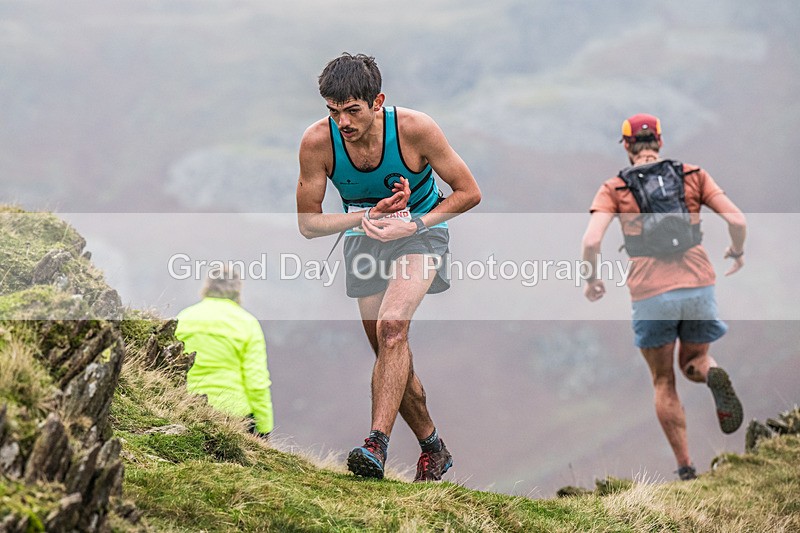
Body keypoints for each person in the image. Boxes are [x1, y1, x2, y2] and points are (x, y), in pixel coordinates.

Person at [296, 53, 481, 481]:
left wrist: (413, 223)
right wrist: (363, 218)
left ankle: (375, 443)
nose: (342, 122)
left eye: (353, 110)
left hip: (420, 233)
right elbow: (308, 223)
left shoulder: (415, 129)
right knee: (388, 353)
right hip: (364, 237)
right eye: (333, 110)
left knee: (393, 327)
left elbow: (469, 192)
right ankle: (433, 447)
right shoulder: (316, 142)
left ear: (378, 101)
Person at [581, 113, 745, 480]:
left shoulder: (615, 187)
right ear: (660, 141)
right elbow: (737, 221)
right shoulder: (692, 175)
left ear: (626, 146)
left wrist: (592, 279)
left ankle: (686, 468)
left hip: (651, 291)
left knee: (663, 381)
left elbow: (591, 241)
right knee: (695, 361)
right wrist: (736, 252)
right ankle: (712, 372)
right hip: (698, 282)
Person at [175, 266, 274, 439]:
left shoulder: (185, 316)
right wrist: (265, 427)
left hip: (188, 405)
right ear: (237, 290)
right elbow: (256, 381)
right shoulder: (247, 323)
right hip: (235, 415)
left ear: (207, 286)